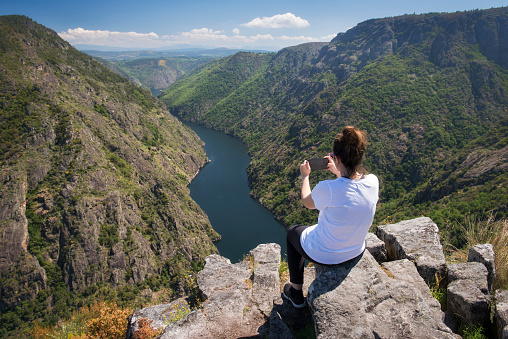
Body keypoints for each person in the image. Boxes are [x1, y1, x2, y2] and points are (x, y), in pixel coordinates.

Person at [283, 126, 379, 308]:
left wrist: (305, 177)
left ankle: (295, 293)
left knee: (292, 232)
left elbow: (307, 202)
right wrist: (339, 172)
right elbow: (351, 188)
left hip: (326, 254)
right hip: (356, 250)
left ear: (338, 158)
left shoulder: (328, 188)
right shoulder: (373, 182)